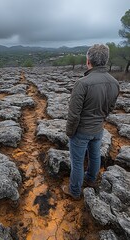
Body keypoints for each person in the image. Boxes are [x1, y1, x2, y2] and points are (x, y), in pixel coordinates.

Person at [63, 44, 119, 200]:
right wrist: (100, 119)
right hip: (98, 129)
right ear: (105, 60)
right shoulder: (114, 82)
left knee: (77, 162)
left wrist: (69, 132)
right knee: (94, 156)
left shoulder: (82, 83)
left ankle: (74, 191)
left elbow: (74, 114)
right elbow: (110, 108)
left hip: (81, 131)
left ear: (89, 61)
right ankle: (91, 180)